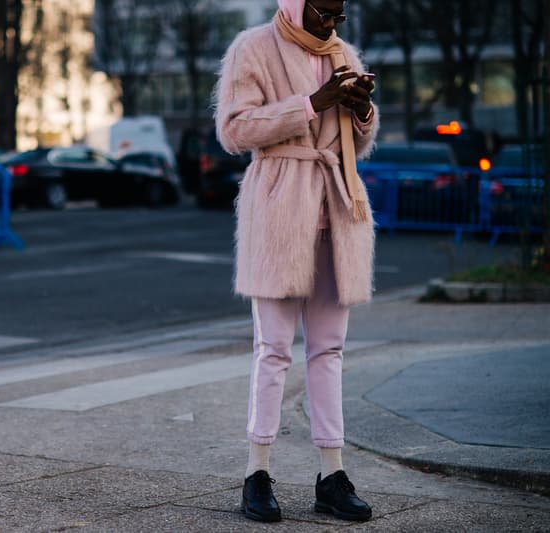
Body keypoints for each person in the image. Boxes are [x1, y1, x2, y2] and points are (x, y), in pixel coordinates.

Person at [214, 0, 379, 524]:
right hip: (280, 211)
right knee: (274, 349)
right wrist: (311, 103)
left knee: (329, 349)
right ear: (295, 4)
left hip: (338, 209)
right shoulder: (253, 48)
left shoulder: (342, 52)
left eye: (339, 14)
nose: (331, 24)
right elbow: (234, 131)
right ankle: (256, 473)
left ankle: (331, 475)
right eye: (323, 12)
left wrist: (361, 110)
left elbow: (358, 141)